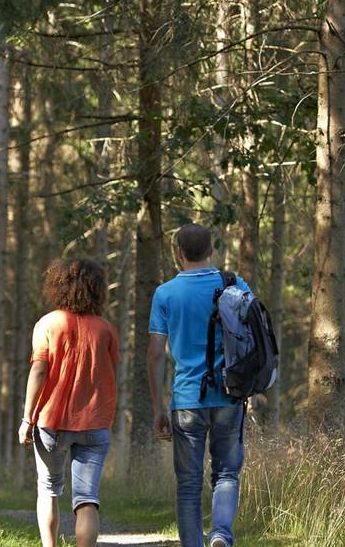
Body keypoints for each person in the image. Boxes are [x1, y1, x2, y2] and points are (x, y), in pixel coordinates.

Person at [147, 223, 250, 547]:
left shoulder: (165, 293)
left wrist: (157, 408)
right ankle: (221, 533)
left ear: (178, 252)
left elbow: (154, 355)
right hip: (230, 395)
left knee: (189, 484)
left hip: (187, 399)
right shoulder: (233, 284)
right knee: (226, 474)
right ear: (211, 251)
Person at [18, 258, 119, 547]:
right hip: (96, 422)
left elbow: (38, 370)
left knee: (48, 490)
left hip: (51, 422)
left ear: (58, 287)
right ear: (97, 290)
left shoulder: (47, 324)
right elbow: (108, 372)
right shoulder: (106, 329)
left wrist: (27, 419)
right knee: (87, 499)